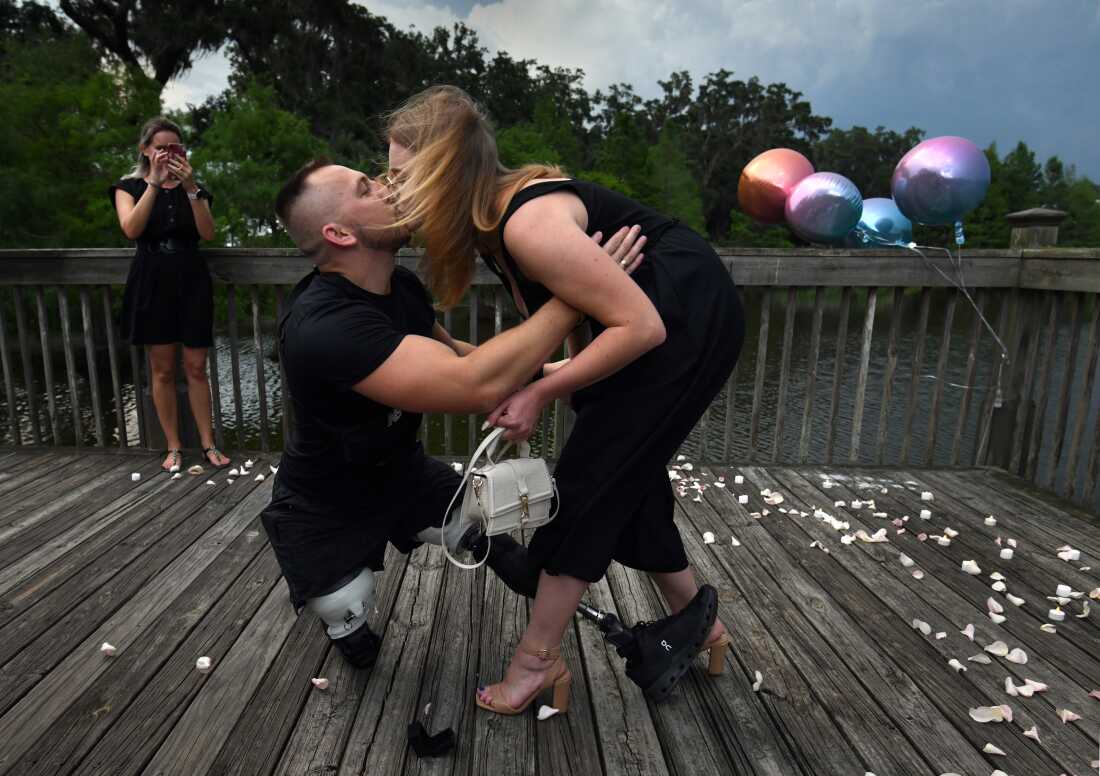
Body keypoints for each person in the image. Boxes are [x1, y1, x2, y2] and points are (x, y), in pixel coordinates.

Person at [263, 159, 717, 679]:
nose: (390, 186)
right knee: (346, 604)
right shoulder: (324, 328)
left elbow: (459, 358)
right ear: (339, 233)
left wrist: (566, 372)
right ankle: (344, 622)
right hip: (324, 502)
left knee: (518, 566)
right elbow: (475, 385)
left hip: (404, 473)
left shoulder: (402, 288)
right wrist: (586, 284)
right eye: (368, 187)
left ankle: (633, 624)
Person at [384, 85, 746, 714]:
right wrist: (554, 380)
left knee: (587, 485)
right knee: (625, 477)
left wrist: (543, 391)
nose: (393, 192)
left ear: (441, 171)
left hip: (682, 317)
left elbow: (643, 327)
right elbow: (583, 323)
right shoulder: (494, 227)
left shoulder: (526, 224)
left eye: (400, 175)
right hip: (662, 316)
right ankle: (700, 624)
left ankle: (535, 665)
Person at [109, 117, 230, 472]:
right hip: (152, 280)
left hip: (191, 280)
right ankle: (174, 447)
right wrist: (154, 185)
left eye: (173, 147)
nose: (166, 153)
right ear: (145, 150)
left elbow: (208, 233)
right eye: (159, 147)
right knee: (161, 371)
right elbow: (131, 228)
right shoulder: (128, 186)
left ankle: (208, 445)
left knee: (196, 367)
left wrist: (190, 187)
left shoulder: (195, 188)